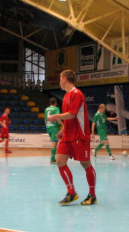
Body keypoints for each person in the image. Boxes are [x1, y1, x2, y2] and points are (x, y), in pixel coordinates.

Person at [47, 70, 97, 205]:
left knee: (85, 164)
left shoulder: (77, 94)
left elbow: (72, 114)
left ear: (64, 79)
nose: (59, 81)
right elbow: (69, 119)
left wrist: (55, 117)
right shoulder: (66, 96)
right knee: (60, 161)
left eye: (59, 79)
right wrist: (63, 131)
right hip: (68, 136)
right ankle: (71, 192)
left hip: (80, 136)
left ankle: (92, 195)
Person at [44, 97, 63, 164]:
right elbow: (57, 117)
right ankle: (52, 159)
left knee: (53, 142)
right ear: (56, 103)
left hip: (48, 127)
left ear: (50, 103)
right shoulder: (56, 108)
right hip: (54, 127)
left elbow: (45, 119)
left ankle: (53, 158)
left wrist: (47, 125)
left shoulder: (46, 109)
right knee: (55, 142)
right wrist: (62, 124)